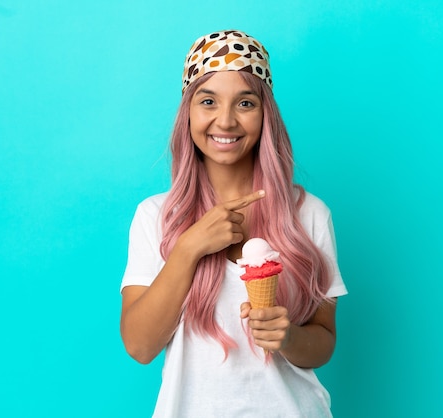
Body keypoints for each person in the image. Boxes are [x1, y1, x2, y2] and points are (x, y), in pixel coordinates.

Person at [120, 29, 348, 417]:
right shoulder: (156, 216)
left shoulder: (309, 213)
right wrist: (189, 247)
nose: (225, 121)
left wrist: (288, 336)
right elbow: (141, 346)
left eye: (245, 102)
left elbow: (323, 343)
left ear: (265, 114)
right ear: (188, 112)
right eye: (208, 101)